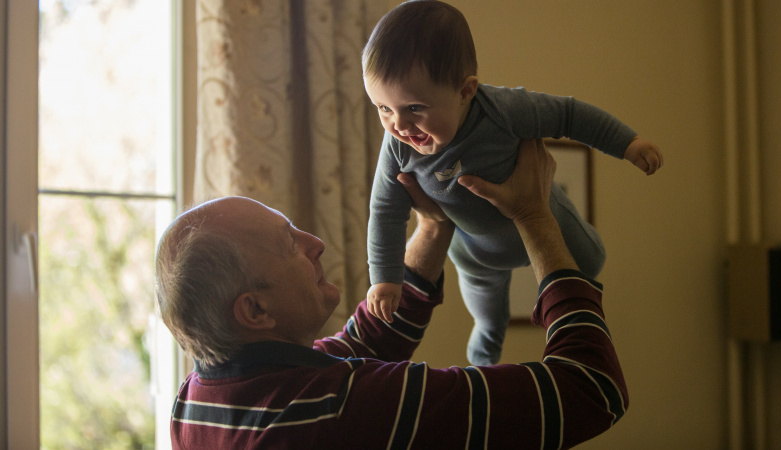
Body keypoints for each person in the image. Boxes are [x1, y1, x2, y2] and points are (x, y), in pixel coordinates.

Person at [155, 139, 628, 449]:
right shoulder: (345, 409)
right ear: (255, 310)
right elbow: (590, 389)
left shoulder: (195, 402)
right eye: (289, 243)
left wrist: (433, 226)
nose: (314, 243)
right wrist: (534, 216)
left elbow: (364, 342)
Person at [363, 0, 663, 365]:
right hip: (475, 252)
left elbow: (569, 115)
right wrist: (385, 278)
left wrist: (628, 144)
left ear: (465, 92)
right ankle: (484, 358)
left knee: (591, 261)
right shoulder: (397, 147)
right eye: (383, 108)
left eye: (414, 108)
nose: (398, 125)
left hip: (547, 217)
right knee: (488, 317)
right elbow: (385, 210)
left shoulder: (503, 110)